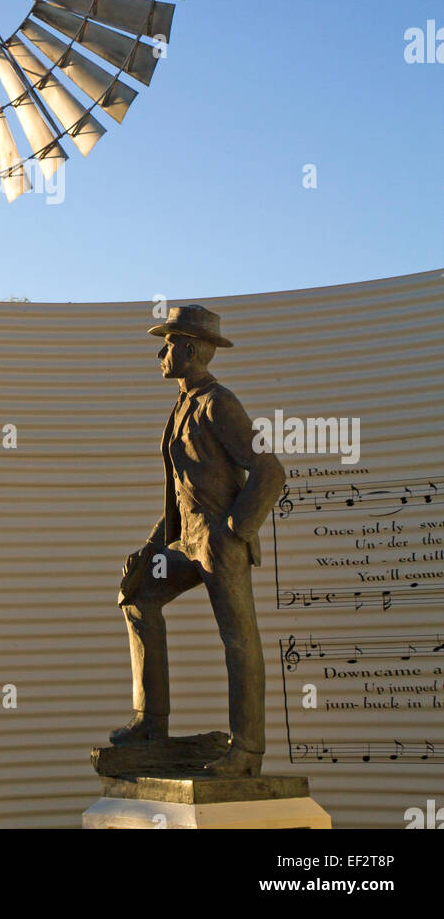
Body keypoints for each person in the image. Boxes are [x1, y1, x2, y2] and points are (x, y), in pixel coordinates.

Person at [111, 305, 285, 777]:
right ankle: (151, 721)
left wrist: (235, 531)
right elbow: (182, 493)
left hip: (218, 539)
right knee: (137, 595)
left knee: (238, 640)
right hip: (186, 539)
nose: (160, 352)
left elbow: (269, 469)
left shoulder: (218, 402)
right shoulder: (183, 404)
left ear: (189, 348)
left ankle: (246, 751)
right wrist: (151, 547)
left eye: (167, 344)